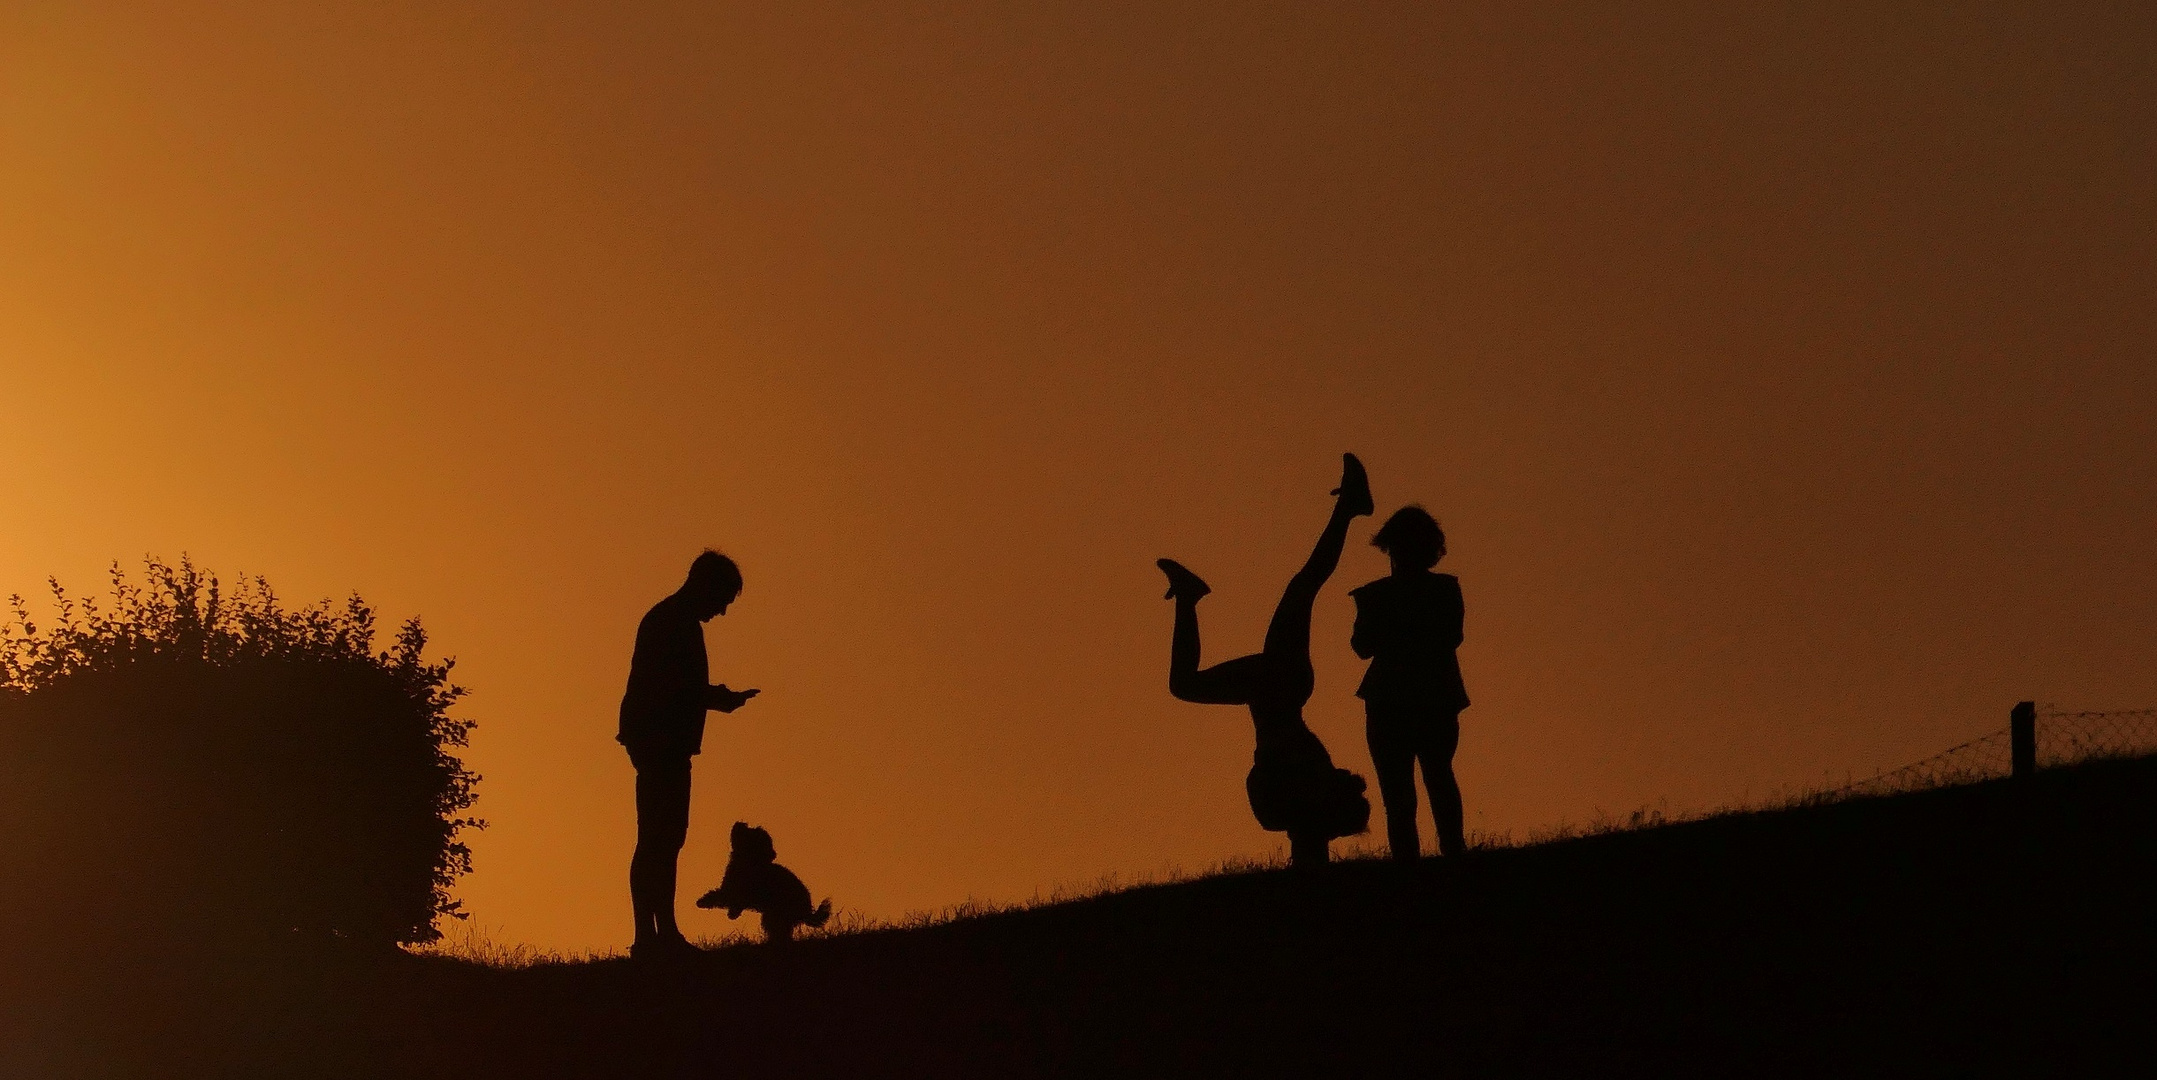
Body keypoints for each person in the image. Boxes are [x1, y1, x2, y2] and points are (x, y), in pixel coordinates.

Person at [1157, 454, 1374, 868]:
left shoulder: (1297, 778)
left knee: (1301, 588)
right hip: (1280, 685)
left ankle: (1188, 596)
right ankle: (1346, 510)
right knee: (1302, 587)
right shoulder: (1301, 772)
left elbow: (1275, 801)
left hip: (1279, 686)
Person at [618, 550, 759, 958]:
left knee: (667, 838)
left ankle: (662, 933)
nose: (722, 611)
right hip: (658, 741)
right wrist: (716, 698)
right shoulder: (669, 623)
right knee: (657, 839)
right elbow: (670, 687)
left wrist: (714, 698)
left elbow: (677, 686)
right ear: (706, 586)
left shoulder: (673, 621)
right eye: (724, 599)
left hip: (664, 742)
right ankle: (649, 936)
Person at [1349, 507, 1469, 860]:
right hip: (1420, 695)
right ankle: (1438, 856)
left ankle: (1433, 857)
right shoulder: (1440, 590)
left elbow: (1449, 636)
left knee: (1420, 783)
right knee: (1419, 784)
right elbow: (1362, 646)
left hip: (1406, 696)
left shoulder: (1388, 594)